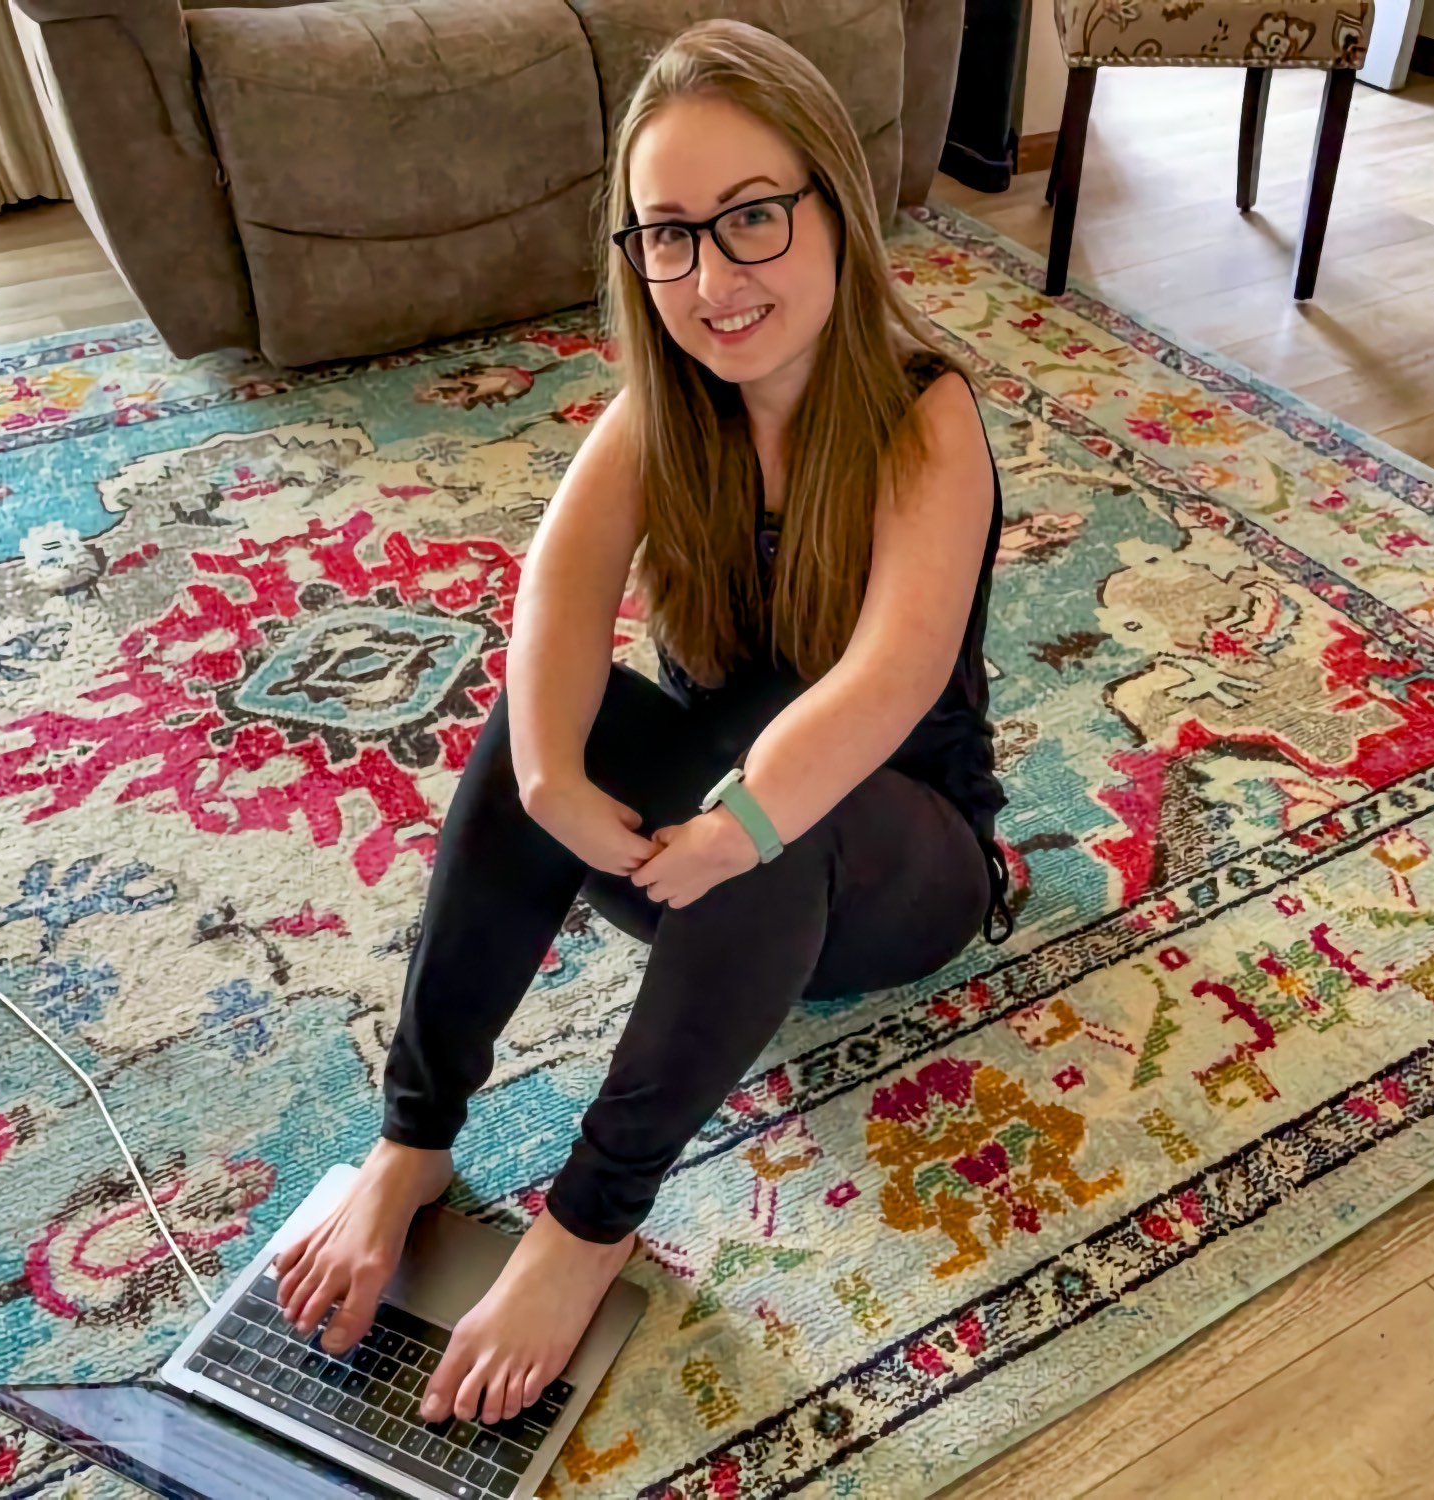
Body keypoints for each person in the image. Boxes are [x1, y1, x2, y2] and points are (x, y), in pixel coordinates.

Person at [271, 17, 1009, 1429]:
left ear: (834, 213)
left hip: (893, 866)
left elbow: (893, 678)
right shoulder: (663, 411)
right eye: (667, 235)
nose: (712, 278)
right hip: (701, 865)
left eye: (750, 221)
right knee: (541, 719)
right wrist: (551, 778)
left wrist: (740, 818)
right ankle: (412, 1138)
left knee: (780, 796)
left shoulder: (929, 414)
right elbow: (552, 601)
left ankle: (588, 1224)